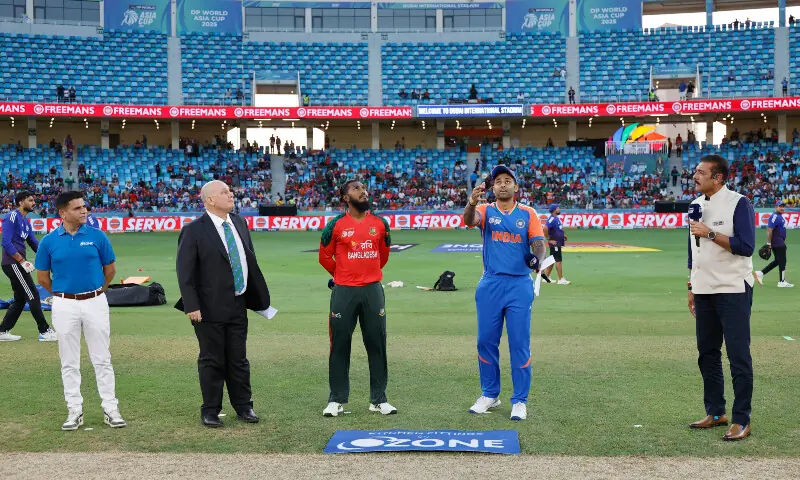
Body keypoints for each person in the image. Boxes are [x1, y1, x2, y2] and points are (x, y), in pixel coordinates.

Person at [176, 180, 271, 428]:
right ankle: (210, 410)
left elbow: (249, 259)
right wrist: (191, 306)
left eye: (230, 191)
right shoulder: (194, 230)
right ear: (209, 200)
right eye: (224, 192)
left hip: (238, 303)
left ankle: (244, 406)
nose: (231, 195)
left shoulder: (239, 223)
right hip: (207, 308)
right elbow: (184, 273)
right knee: (212, 359)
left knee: (239, 358)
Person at [34, 192, 126, 431]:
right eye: (77, 208)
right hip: (64, 305)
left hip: (95, 301)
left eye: (85, 207)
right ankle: (74, 410)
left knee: (102, 359)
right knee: (69, 361)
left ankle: (110, 408)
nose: (84, 211)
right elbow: (42, 277)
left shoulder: (97, 236)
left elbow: (111, 270)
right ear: (63, 213)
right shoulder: (48, 241)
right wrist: (64, 294)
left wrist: (97, 292)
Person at [462, 165, 547, 421]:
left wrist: (536, 259)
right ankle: (490, 394)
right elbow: (469, 220)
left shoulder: (528, 213)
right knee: (486, 341)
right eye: (498, 181)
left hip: (519, 284)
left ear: (516, 187)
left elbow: (539, 244)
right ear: (493, 187)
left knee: (519, 343)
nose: (502, 184)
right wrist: (470, 203)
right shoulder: (486, 210)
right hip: (491, 283)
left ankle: (520, 400)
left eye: (507, 181)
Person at [687, 155, 756, 441]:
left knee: (738, 356)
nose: (695, 176)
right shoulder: (696, 205)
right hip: (703, 290)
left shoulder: (740, 203)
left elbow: (747, 246)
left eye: (701, 172)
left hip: (732, 288)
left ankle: (742, 419)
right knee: (707, 355)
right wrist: (691, 284)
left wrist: (711, 232)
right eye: (695, 172)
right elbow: (694, 248)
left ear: (718, 178)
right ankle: (716, 412)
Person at [318, 180, 395, 417]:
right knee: (339, 344)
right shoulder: (335, 225)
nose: (363, 191)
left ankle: (379, 399)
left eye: (364, 188)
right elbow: (324, 257)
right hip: (344, 292)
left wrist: (367, 275)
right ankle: (336, 400)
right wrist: (343, 275)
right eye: (356, 188)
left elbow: (383, 256)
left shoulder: (380, 224)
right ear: (345, 197)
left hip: (372, 290)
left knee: (377, 343)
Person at [0, 191, 57, 342]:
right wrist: (21, 261)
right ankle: (44, 331)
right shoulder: (12, 216)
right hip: (12, 263)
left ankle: (2, 330)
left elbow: (33, 243)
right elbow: (5, 242)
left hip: (17, 264)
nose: (34, 203)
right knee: (33, 294)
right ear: (20, 202)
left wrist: (50, 258)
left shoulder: (25, 221)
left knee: (20, 299)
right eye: (30, 200)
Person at [755, 200, 793, 288]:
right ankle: (782, 281)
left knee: (778, 261)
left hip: (779, 242)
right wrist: (768, 243)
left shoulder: (779, 216)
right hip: (778, 243)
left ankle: (760, 273)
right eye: (780, 206)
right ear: (776, 207)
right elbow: (769, 230)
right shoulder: (774, 216)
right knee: (783, 261)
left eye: (783, 206)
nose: (782, 208)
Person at [543, 203, 570, 285]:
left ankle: (546, 277)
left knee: (552, 259)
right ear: (554, 210)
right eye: (558, 208)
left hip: (558, 242)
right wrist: (549, 239)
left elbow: (558, 229)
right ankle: (560, 279)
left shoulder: (556, 218)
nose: (559, 209)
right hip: (555, 244)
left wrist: (563, 235)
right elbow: (545, 228)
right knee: (558, 260)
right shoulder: (552, 219)